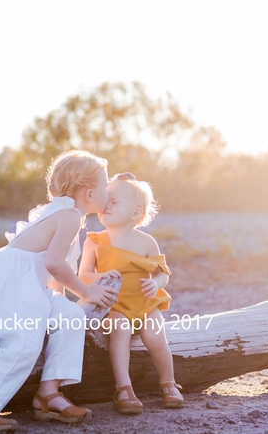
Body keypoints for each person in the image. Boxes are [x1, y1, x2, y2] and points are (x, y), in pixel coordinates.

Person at [0, 150, 120, 432]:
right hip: (14, 280)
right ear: (90, 194)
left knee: (70, 316)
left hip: (29, 281)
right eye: (105, 186)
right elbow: (54, 265)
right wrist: (88, 292)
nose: (109, 192)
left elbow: (54, 274)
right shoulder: (68, 215)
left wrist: (64, 302)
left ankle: (49, 394)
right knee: (23, 341)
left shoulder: (66, 213)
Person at [78, 172, 183, 415]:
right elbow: (83, 275)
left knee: (157, 338)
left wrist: (156, 284)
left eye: (114, 202)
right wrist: (101, 277)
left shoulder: (146, 242)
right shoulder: (95, 241)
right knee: (120, 333)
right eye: (106, 201)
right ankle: (123, 388)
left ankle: (169, 383)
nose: (106, 205)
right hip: (113, 304)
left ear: (136, 213)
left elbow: (162, 274)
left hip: (144, 303)